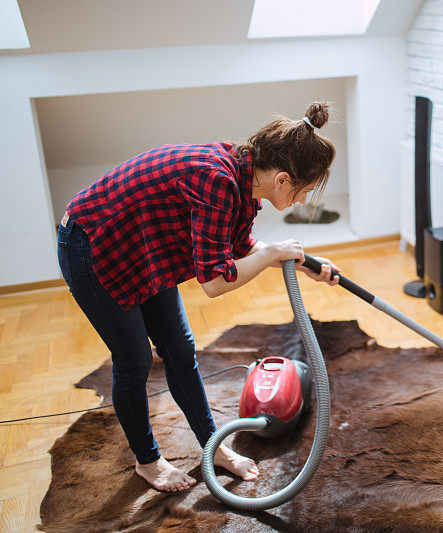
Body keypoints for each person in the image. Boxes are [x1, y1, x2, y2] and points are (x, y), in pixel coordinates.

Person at [56, 102, 340, 492]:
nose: (304, 200)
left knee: (179, 349)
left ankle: (214, 447)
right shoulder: (217, 179)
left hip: (143, 247)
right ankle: (148, 461)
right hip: (93, 244)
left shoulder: (242, 180)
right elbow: (215, 282)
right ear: (282, 178)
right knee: (135, 361)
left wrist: (301, 260)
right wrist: (273, 254)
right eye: (305, 190)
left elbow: (239, 245)